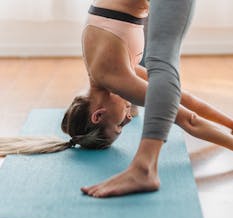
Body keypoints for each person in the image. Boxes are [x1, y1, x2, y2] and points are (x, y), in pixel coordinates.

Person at [1, 1, 233, 194]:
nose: (128, 119)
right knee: (165, 76)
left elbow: (188, 119)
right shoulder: (101, 68)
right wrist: (229, 124)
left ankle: (144, 171)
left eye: (119, 125)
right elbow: (184, 98)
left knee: (163, 63)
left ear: (98, 115)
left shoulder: (114, 77)